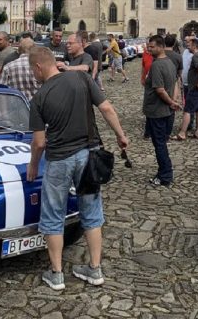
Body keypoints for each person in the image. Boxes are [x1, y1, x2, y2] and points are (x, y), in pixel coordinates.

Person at [26, 47, 128, 291]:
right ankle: (94, 269)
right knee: (92, 212)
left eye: (33, 70)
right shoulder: (82, 78)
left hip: (59, 160)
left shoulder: (39, 98)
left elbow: (39, 142)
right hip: (87, 155)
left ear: (39, 67)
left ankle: (56, 274)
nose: (33, 75)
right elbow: (107, 109)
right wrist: (121, 136)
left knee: (53, 215)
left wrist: (32, 166)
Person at [143, 35, 180, 187]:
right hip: (167, 111)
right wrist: (174, 101)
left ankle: (165, 175)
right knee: (162, 143)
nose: (148, 49)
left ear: (160, 47)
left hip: (157, 111)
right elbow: (176, 83)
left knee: (160, 145)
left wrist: (171, 102)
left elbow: (159, 89)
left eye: (151, 47)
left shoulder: (157, 65)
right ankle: (164, 172)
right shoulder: (170, 62)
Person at [174, 37, 198, 141]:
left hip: (194, 88)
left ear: (195, 46)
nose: (188, 45)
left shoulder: (196, 56)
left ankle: (182, 133)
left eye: (190, 44)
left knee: (188, 110)